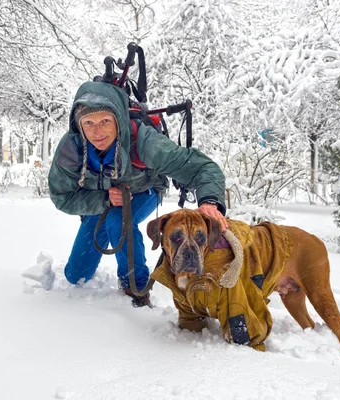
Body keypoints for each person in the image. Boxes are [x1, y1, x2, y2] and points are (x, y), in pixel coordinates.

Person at [48, 81, 227, 307]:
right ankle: (106, 264)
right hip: (102, 201)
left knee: (118, 220)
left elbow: (202, 168)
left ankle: (136, 286)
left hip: (144, 191)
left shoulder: (143, 141)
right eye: (89, 123)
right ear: (79, 125)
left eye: (105, 121)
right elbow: (62, 196)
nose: (97, 131)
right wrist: (102, 199)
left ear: (118, 121)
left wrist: (210, 201)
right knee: (76, 275)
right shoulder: (71, 149)